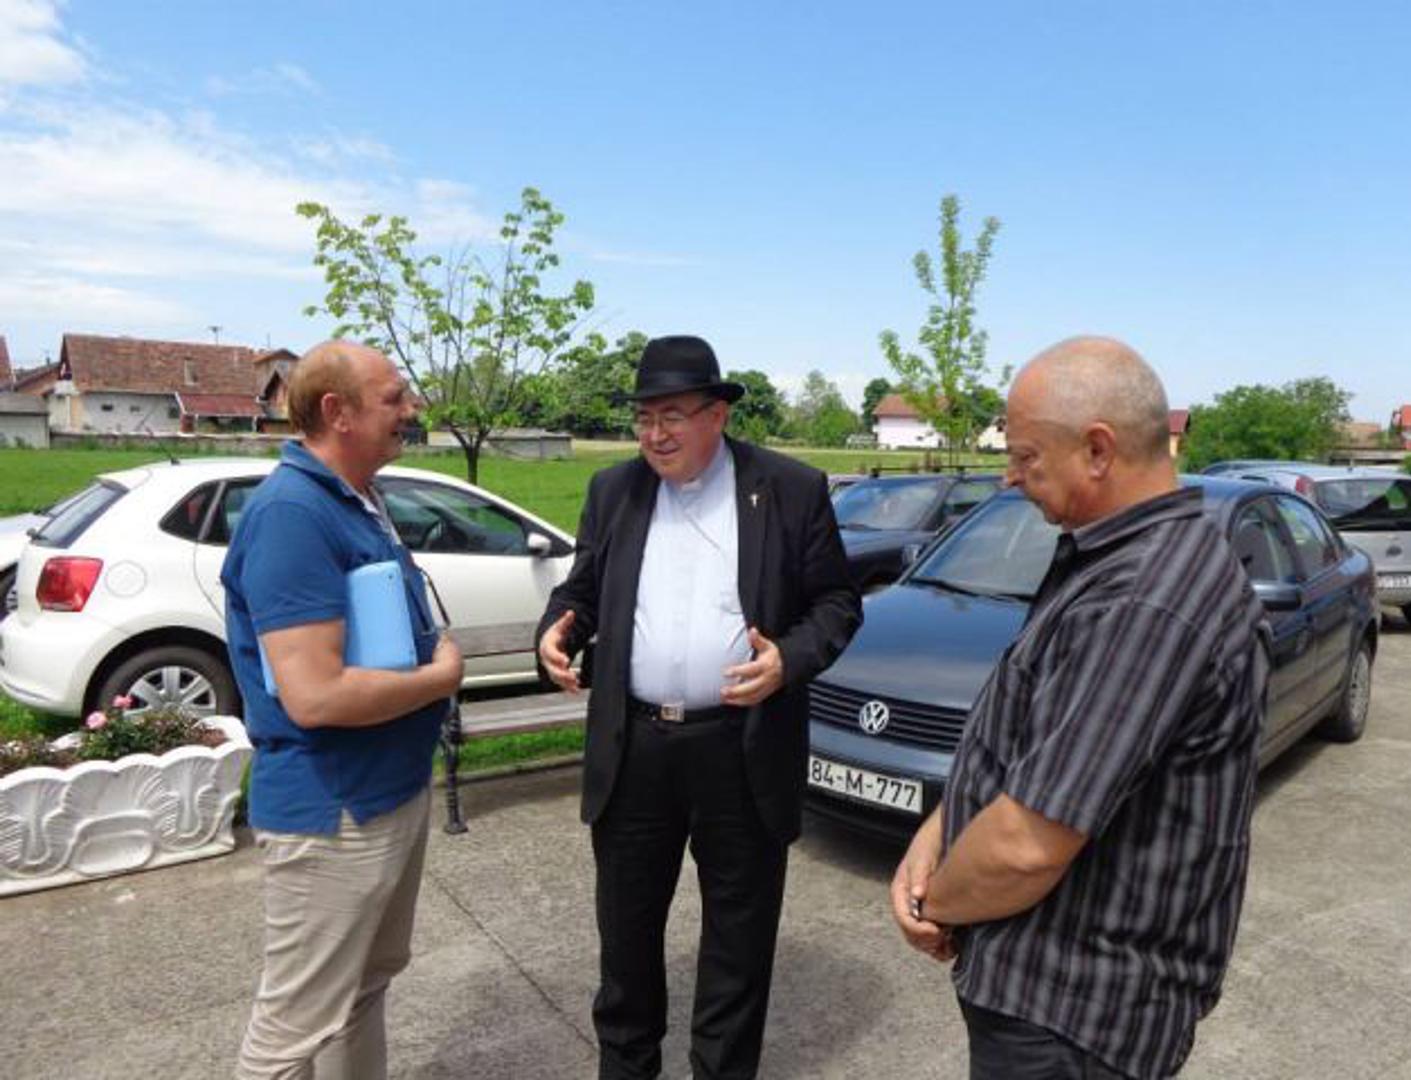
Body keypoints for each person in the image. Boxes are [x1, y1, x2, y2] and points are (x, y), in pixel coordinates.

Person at [890, 337, 1270, 1080]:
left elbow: (1027, 846)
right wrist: (940, 831)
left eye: (1026, 456)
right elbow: (1033, 743)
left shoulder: (1146, 599)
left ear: (1098, 450)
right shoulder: (1120, 560)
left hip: (1072, 1020)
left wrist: (934, 903)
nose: (1010, 475)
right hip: (1054, 1003)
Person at [537, 335, 862, 1080]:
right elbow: (583, 590)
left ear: (717, 414)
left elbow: (837, 603)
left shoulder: (789, 489)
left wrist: (787, 660)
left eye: (673, 416)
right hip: (635, 748)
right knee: (625, 945)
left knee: (737, 949)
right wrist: (557, 629)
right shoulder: (613, 491)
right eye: (644, 418)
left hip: (741, 747)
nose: (654, 434)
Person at [223, 341, 464, 1079]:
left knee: (361, 990)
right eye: (394, 398)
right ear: (338, 412)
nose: (411, 409)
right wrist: (441, 677)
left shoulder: (356, 497)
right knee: (293, 1030)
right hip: (334, 810)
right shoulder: (292, 515)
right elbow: (315, 695)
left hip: (385, 791)